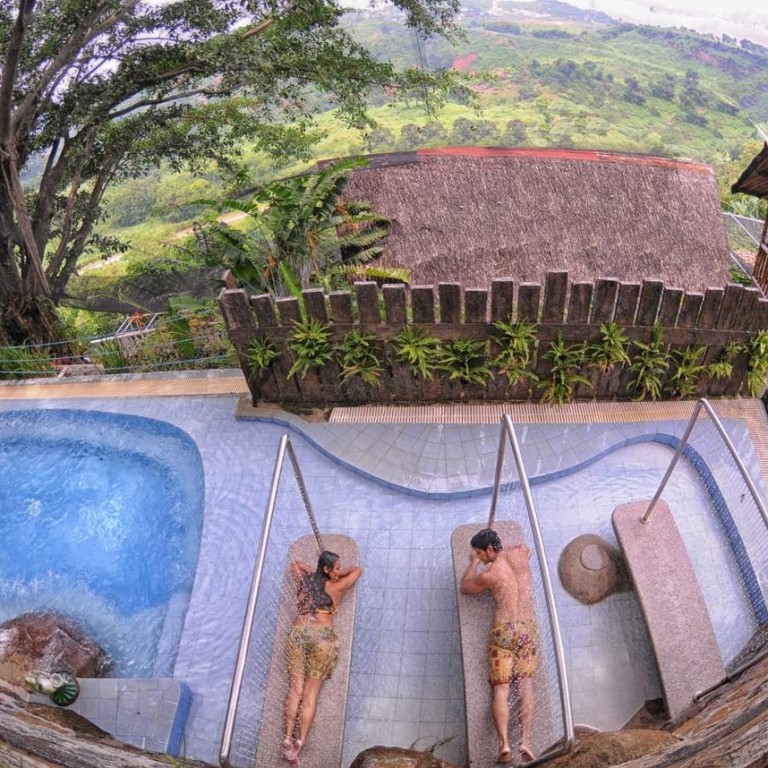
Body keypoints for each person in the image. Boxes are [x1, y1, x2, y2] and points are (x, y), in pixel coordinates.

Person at [460, 528, 537, 765]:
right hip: (526, 630)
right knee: (525, 686)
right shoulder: (520, 555)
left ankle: (504, 744)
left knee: (501, 690)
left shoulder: (490, 574)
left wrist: (473, 564)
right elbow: (526, 550)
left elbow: (466, 587)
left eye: (479, 553)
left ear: (490, 549)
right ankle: (525, 742)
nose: (479, 557)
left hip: (504, 632)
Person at [282, 550, 363, 766]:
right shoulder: (337, 586)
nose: (338, 571)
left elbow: (296, 564)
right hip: (321, 638)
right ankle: (300, 741)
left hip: (299, 634)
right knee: (310, 694)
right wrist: (335, 576)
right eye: (336, 568)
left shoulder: (306, 581)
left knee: (295, 689)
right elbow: (357, 570)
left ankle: (287, 737)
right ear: (327, 569)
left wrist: (318, 573)